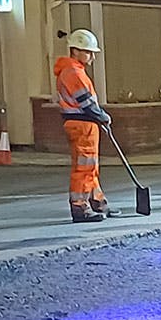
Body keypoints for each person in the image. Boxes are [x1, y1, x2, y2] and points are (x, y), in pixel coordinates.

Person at [54, 29, 113, 223]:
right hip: (82, 123)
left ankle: (97, 201)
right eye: (88, 52)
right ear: (75, 50)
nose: (92, 56)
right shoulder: (73, 72)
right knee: (84, 166)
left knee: (90, 166)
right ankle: (80, 206)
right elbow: (86, 102)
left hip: (85, 123)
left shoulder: (74, 70)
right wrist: (102, 116)